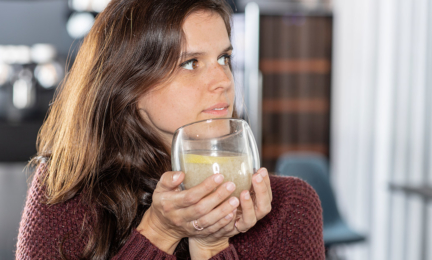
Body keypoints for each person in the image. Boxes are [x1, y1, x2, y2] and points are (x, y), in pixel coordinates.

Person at [16, 0, 325, 259]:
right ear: (128, 83)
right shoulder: (65, 193)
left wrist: (211, 244)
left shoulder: (291, 209)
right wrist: (159, 232)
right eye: (191, 63)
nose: (224, 80)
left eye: (224, 58)